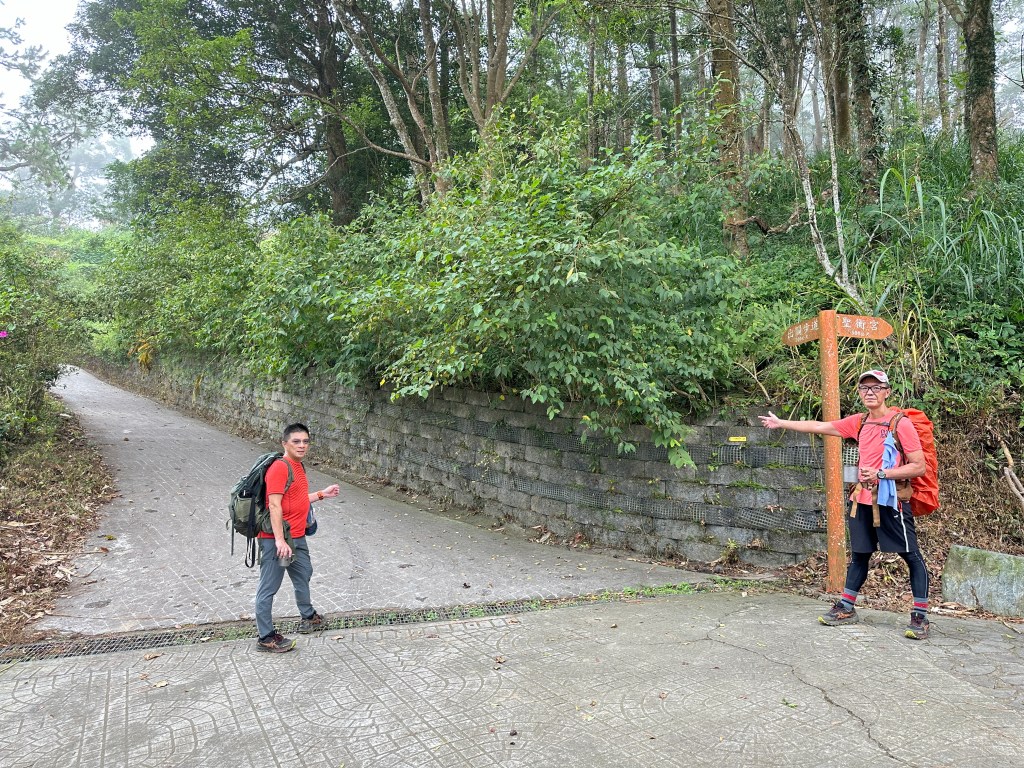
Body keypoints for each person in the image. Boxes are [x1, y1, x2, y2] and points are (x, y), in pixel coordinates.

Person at [759, 370, 931, 640]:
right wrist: (782, 423)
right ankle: (847, 607)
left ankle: (920, 615)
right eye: (864, 388)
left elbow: (919, 466)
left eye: (876, 387)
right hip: (860, 500)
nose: (870, 392)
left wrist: (882, 473)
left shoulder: (901, 424)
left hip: (891, 500)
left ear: (887, 391)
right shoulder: (858, 422)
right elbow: (820, 426)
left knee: (910, 555)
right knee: (860, 554)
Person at [255, 422, 340, 653]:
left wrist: (322, 494)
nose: (302, 445)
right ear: (285, 443)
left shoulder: (298, 466)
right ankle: (265, 637)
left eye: (305, 441)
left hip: (297, 536)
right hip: (277, 539)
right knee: (269, 587)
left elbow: (296, 499)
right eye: (296, 441)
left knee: (304, 573)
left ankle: (308, 616)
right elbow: (274, 505)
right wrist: (279, 541)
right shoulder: (279, 468)